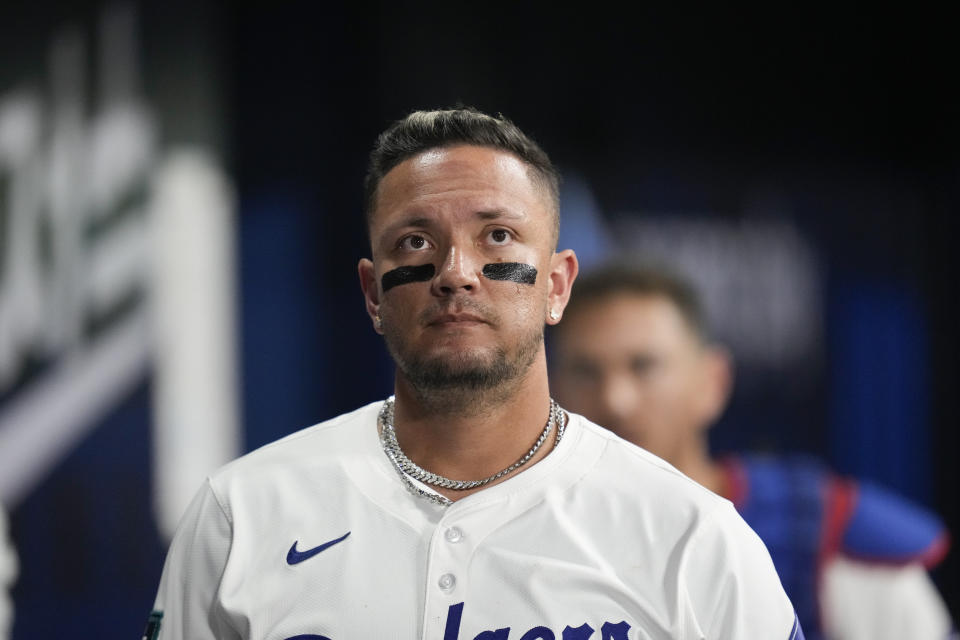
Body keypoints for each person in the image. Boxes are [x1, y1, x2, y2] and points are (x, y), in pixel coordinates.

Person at [148, 108, 804, 639]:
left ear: (556, 285)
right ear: (373, 293)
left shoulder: (694, 538)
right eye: (415, 242)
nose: (456, 271)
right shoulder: (243, 517)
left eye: (497, 237)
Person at [550, 262, 955, 640]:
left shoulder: (821, 539)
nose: (616, 399)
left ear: (713, 381)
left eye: (644, 366)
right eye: (586, 371)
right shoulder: (527, 530)